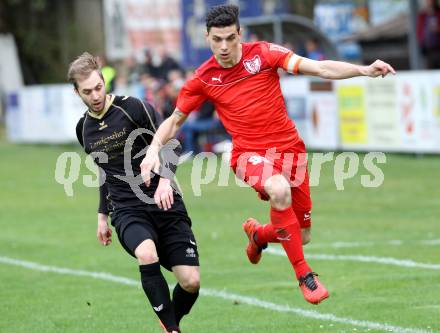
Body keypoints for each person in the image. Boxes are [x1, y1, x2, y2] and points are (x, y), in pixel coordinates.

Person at [140, 5, 395, 305]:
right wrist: (154, 148)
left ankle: (259, 236)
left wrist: (363, 70)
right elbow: (174, 120)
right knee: (278, 188)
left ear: (240, 34)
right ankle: (304, 275)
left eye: (230, 38)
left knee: (303, 234)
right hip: (248, 155)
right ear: (207, 37)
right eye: (217, 39)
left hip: (291, 151)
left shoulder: (263, 54)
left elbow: (320, 67)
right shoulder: (203, 78)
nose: (224, 46)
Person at [68, 52, 200, 333]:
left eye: (98, 87)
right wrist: (102, 215)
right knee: (147, 253)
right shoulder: (84, 129)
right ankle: (172, 329)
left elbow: (173, 142)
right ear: (77, 92)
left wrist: (166, 178)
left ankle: (168, 319)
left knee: (190, 282)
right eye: (87, 91)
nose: (95, 95)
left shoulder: (134, 108)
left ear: (104, 81)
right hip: (127, 208)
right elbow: (104, 171)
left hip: (164, 200)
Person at [417, 0, 440, 68]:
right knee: (430, 72)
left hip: (438, 49)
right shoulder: (423, 15)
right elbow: (419, 31)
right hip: (428, 50)